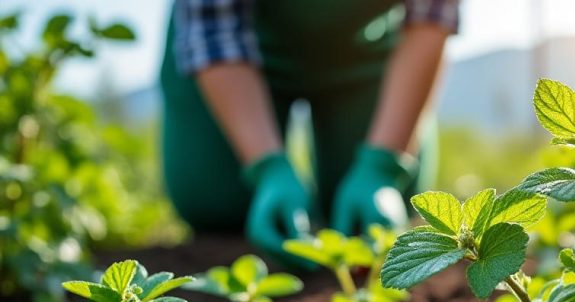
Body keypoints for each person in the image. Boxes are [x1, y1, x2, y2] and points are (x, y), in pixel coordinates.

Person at [159, 0, 458, 263]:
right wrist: (267, 168)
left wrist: (383, 167)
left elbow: (431, 16)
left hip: (364, 51)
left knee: (379, 212)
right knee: (216, 202)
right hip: (241, 46)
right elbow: (214, 26)